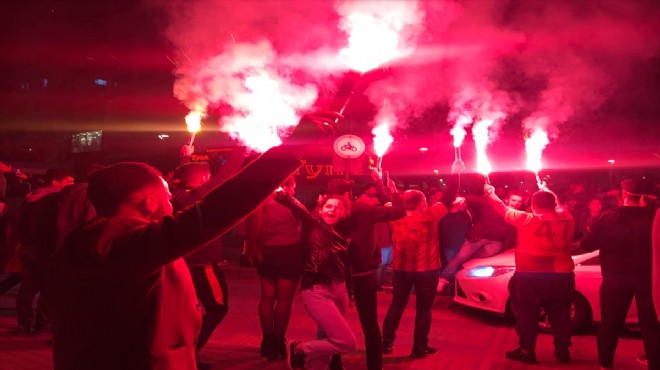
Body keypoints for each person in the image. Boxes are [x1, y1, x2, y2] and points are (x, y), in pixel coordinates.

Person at [43, 112, 339, 370]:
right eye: (167, 198)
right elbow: (217, 210)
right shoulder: (123, 244)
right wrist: (290, 150)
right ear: (148, 203)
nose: (173, 205)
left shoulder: (88, 244)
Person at [484, 182, 575, 365]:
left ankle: (527, 351)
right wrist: (548, 189)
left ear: (533, 206)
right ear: (553, 204)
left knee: (527, 316)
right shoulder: (568, 219)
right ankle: (562, 350)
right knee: (560, 315)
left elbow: (500, 207)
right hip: (562, 276)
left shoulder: (525, 219)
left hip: (530, 277)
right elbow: (558, 205)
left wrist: (489, 192)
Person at [170, 146, 248, 357]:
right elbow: (227, 175)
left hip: (182, 264)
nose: (211, 177)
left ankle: (182, 350)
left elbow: (182, 174)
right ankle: (190, 352)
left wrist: (185, 156)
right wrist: (243, 147)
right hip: (202, 263)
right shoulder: (199, 195)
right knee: (217, 308)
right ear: (204, 179)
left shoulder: (175, 193)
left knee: (187, 309)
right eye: (209, 176)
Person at [580, 178, 660, 370]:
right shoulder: (656, 217)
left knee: (610, 324)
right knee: (652, 326)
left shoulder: (606, 217)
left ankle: (605, 365)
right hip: (649, 279)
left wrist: (591, 229)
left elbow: (586, 246)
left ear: (625, 196)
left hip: (615, 279)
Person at [330, 172, 405, 370]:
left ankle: (334, 365)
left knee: (333, 324)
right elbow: (397, 212)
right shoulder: (362, 209)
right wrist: (388, 191)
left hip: (336, 275)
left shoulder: (326, 212)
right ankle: (374, 366)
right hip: (362, 275)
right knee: (370, 325)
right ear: (349, 193)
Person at [282, 193, 356, 370]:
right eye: (329, 206)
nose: (333, 210)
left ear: (343, 213)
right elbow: (299, 208)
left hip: (340, 290)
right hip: (316, 290)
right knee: (346, 342)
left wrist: (350, 293)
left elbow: (346, 267)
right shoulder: (312, 224)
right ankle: (298, 348)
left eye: (338, 208)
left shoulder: (342, 236)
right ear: (321, 209)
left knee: (326, 343)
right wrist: (283, 195)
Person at [381, 189, 448, 359]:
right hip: (427, 269)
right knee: (424, 310)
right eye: (424, 199)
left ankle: (386, 342)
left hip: (401, 269)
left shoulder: (394, 215)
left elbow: (387, 199)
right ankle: (419, 347)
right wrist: (456, 174)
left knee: (397, 305)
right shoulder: (430, 215)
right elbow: (448, 197)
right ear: (420, 202)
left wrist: (382, 183)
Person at [244, 176, 302, 361]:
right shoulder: (289, 205)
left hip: (265, 254)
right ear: (285, 187)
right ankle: (278, 342)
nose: (293, 191)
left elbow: (241, 231)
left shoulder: (259, 205)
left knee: (267, 298)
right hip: (288, 253)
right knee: (284, 301)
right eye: (292, 188)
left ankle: (266, 340)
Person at [16, 167, 75, 336]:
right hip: (46, 248)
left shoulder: (30, 198)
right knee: (48, 288)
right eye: (69, 181)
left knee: (26, 288)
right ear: (56, 182)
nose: (72, 185)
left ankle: (23, 324)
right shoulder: (55, 199)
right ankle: (41, 325)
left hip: (28, 247)